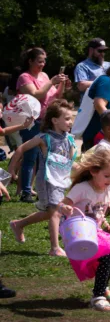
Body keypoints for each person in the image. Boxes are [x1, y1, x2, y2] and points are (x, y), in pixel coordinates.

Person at [57, 149, 110, 312]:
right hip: (79, 233)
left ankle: (103, 286)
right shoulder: (82, 188)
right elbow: (62, 204)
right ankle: (97, 296)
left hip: (95, 232)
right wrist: (66, 208)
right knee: (106, 256)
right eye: (107, 176)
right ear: (93, 171)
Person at [9, 100, 76, 256]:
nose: (70, 122)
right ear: (54, 120)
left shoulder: (69, 139)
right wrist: (12, 169)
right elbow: (21, 149)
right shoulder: (44, 138)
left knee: (50, 212)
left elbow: (72, 163)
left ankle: (18, 224)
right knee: (54, 212)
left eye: (70, 118)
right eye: (66, 118)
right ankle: (54, 248)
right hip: (46, 180)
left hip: (60, 180)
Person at [17, 47, 71, 202]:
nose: (43, 64)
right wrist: (51, 82)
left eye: (44, 61)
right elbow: (36, 95)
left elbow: (56, 96)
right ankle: (25, 191)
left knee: (43, 157)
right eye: (40, 61)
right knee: (30, 157)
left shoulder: (45, 76)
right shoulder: (24, 77)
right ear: (30, 61)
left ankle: (39, 188)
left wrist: (62, 85)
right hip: (31, 122)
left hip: (46, 121)